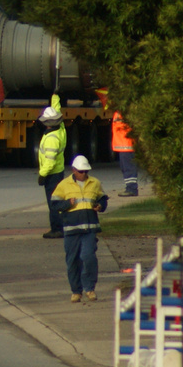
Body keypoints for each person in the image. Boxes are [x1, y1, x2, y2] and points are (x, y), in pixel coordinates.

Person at [51, 154, 107, 302]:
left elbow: (102, 198)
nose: (84, 174)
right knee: (72, 261)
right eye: (81, 171)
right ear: (74, 170)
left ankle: (90, 289)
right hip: (71, 230)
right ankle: (76, 291)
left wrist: (100, 206)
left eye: (86, 171)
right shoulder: (64, 185)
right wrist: (67, 204)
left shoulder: (95, 183)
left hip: (89, 229)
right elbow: (55, 204)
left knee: (88, 257)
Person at [36, 96, 68, 239]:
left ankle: (56, 229)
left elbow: (49, 161)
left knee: (53, 203)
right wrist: (55, 98)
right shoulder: (60, 129)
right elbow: (57, 110)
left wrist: (42, 175)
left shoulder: (51, 139)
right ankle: (59, 227)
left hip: (52, 174)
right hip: (58, 172)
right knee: (57, 200)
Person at [111, 111, 139, 197]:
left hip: (127, 145)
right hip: (123, 145)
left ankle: (132, 189)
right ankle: (130, 188)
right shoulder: (118, 112)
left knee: (128, 168)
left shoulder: (125, 110)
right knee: (125, 167)